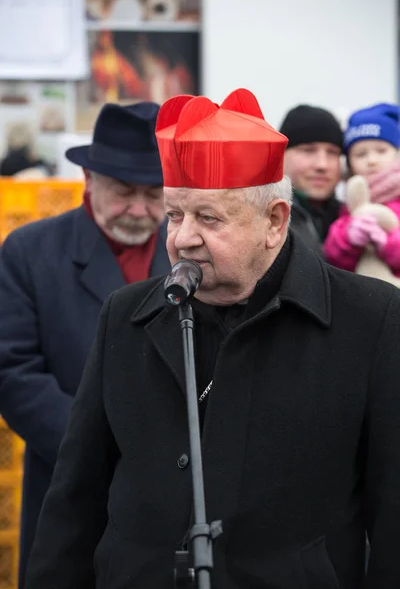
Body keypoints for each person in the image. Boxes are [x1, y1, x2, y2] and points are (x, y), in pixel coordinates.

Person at [25, 89, 400, 589]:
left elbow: (393, 511)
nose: (182, 238)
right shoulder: (126, 315)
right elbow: (74, 501)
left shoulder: (371, 318)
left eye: (209, 217)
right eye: (176, 214)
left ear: (274, 222)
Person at [0, 101, 170, 589]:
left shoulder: (189, 252)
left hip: (167, 489)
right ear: (89, 179)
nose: (139, 210)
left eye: (154, 194)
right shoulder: (29, 252)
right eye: (124, 192)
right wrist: (97, 449)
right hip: (68, 481)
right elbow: (13, 372)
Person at [324, 103, 400, 275]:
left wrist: (388, 243)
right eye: (361, 154)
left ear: (396, 154)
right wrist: (349, 237)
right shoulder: (350, 202)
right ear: (349, 164)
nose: (372, 160)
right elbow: (333, 256)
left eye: (381, 151)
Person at [279, 104, 343, 255]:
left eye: (332, 153)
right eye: (308, 150)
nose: (322, 164)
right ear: (281, 155)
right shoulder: (263, 219)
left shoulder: (353, 217)